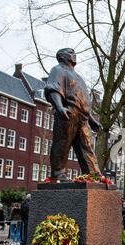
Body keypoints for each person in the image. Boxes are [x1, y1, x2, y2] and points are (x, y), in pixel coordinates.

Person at [44, 48, 103, 182]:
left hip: (83, 117)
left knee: (87, 145)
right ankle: (58, 174)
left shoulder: (78, 77)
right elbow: (53, 89)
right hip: (68, 112)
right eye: (70, 53)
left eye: (74, 53)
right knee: (62, 143)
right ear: (61, 56)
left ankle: (93, 175)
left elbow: (84, 101)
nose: (74, 56)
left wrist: (92, 120)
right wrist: (59, 107)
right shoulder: (58, 70)